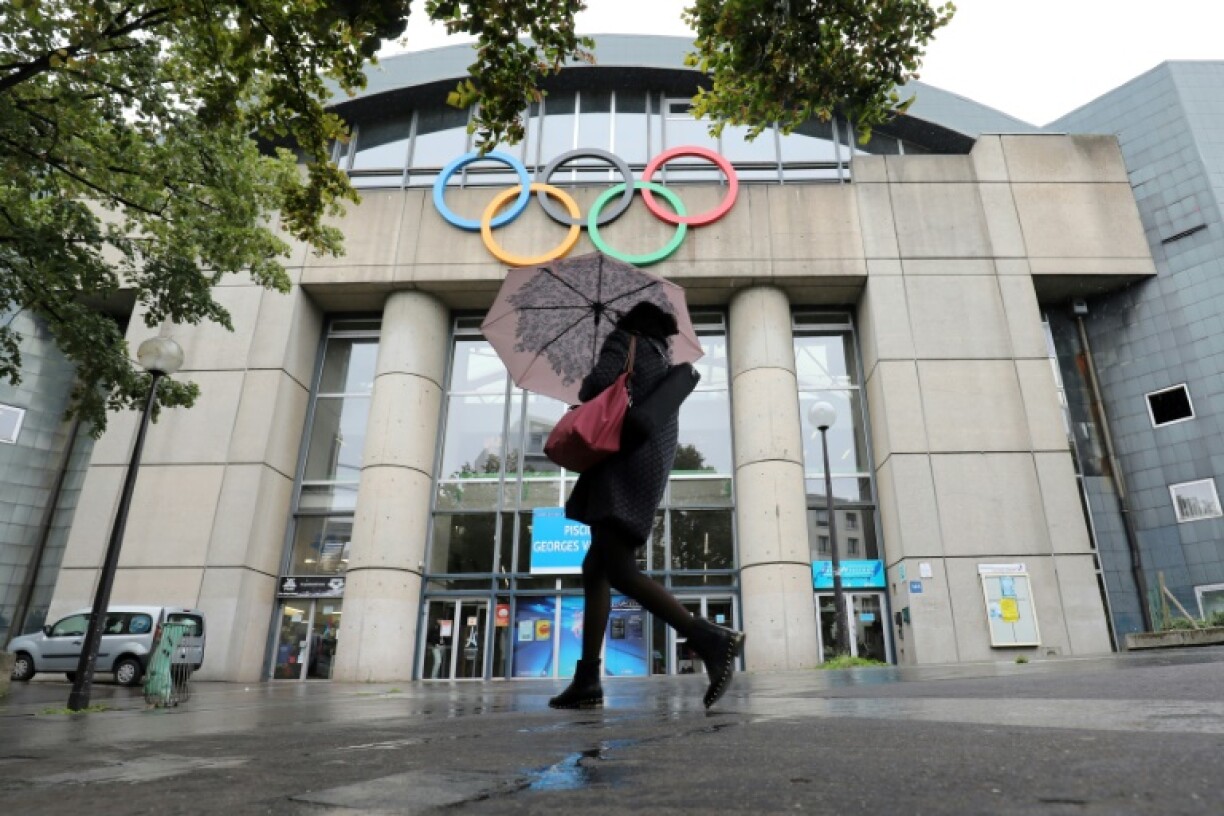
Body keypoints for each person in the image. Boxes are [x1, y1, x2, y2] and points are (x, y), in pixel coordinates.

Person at [548, 301, 745, 710]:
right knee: (596, 567)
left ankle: (710, 639)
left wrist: (600, 363)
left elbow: (596, 386)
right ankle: (587, 679)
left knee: (618, 567)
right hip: (645, 465)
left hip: (621, 464)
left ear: (630, 321)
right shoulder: (659, 356)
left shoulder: (624, 341)